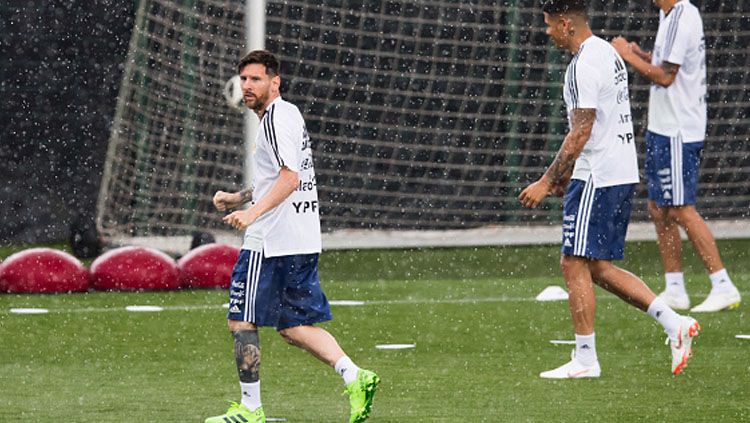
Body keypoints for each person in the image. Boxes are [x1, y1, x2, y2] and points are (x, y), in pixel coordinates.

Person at [519, 0, 700, 378]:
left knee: (572, 262)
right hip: (619, 171)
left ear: (566, 24)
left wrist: (548, 181)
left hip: (598, 174)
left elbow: (581, 130)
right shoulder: (605, 52)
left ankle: (586, 359)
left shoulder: (581, 64)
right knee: (597, 267)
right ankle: (674, 323)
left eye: (550, 25)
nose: (547, 32)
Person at [205, 50, 379, 423]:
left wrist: (250, 214)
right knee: (292, 325)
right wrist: (238, 197)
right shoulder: (289, 115)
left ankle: (250, 410)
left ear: (275, 82)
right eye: (244, 80)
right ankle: (355, 375)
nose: (247, 86)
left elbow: (289, 179)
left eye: (255, 79)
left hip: (270, 241)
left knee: (240, 317)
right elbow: (277, 176)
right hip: (301, 239)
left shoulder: (273, 120)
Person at [611, 0, 741, 313]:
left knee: (681, 208)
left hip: (679, 129)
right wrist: (642, 55)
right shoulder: (667, 13)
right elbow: (666, 64)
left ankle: (723, 285)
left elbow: (667, 77)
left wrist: (628, 57)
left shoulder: (684, 16)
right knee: (659, 208)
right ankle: (675, 288)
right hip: (662, 126)